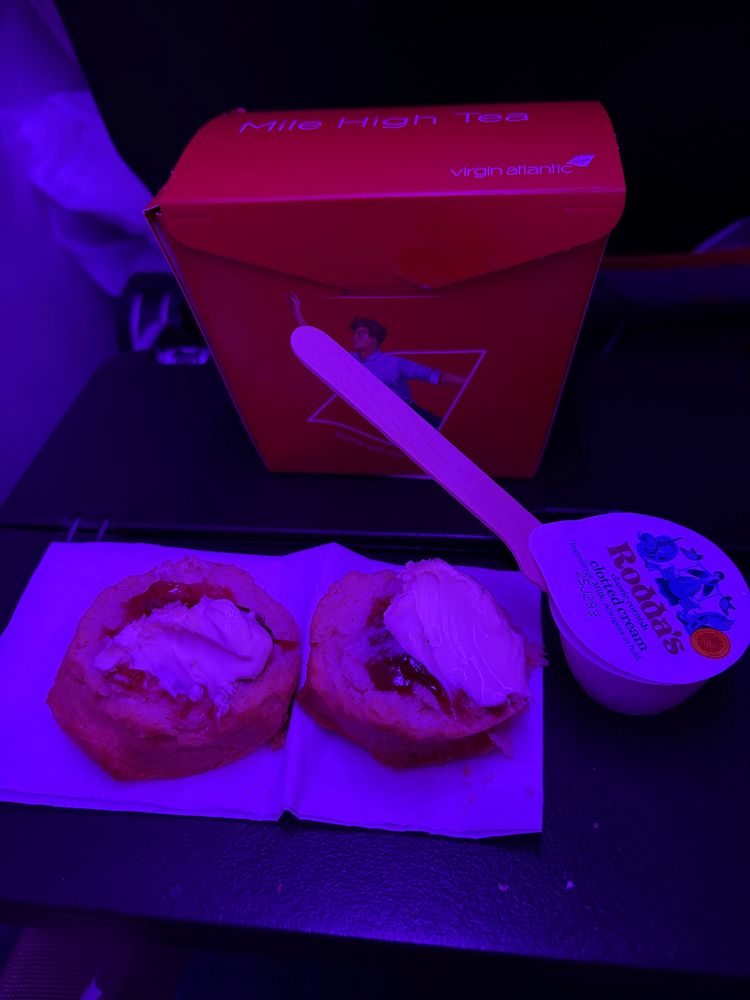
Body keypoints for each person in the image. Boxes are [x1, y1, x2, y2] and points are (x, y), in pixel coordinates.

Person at [287, 293, 465, 428]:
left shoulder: (394, 363)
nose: (355, 337)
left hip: (410, 417)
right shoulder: (349, 360)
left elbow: (433, 376)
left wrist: (469, 382)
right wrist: (297, 313)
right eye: (354, 333)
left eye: (361, 334)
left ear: (375, 339)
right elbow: (318, 347)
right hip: (379, 419)